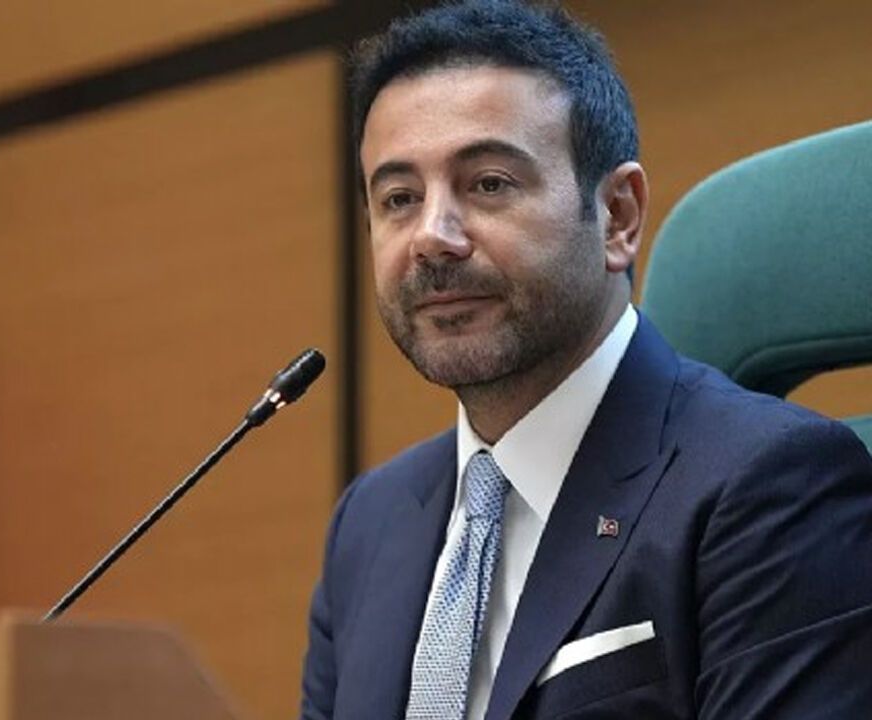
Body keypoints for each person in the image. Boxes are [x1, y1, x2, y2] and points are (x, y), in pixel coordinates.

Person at [300, 2, 872, 718]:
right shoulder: (368, 523)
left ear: (618, 217)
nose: (432, 237)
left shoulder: (770, 486)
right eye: (399, 198)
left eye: (488, 184)